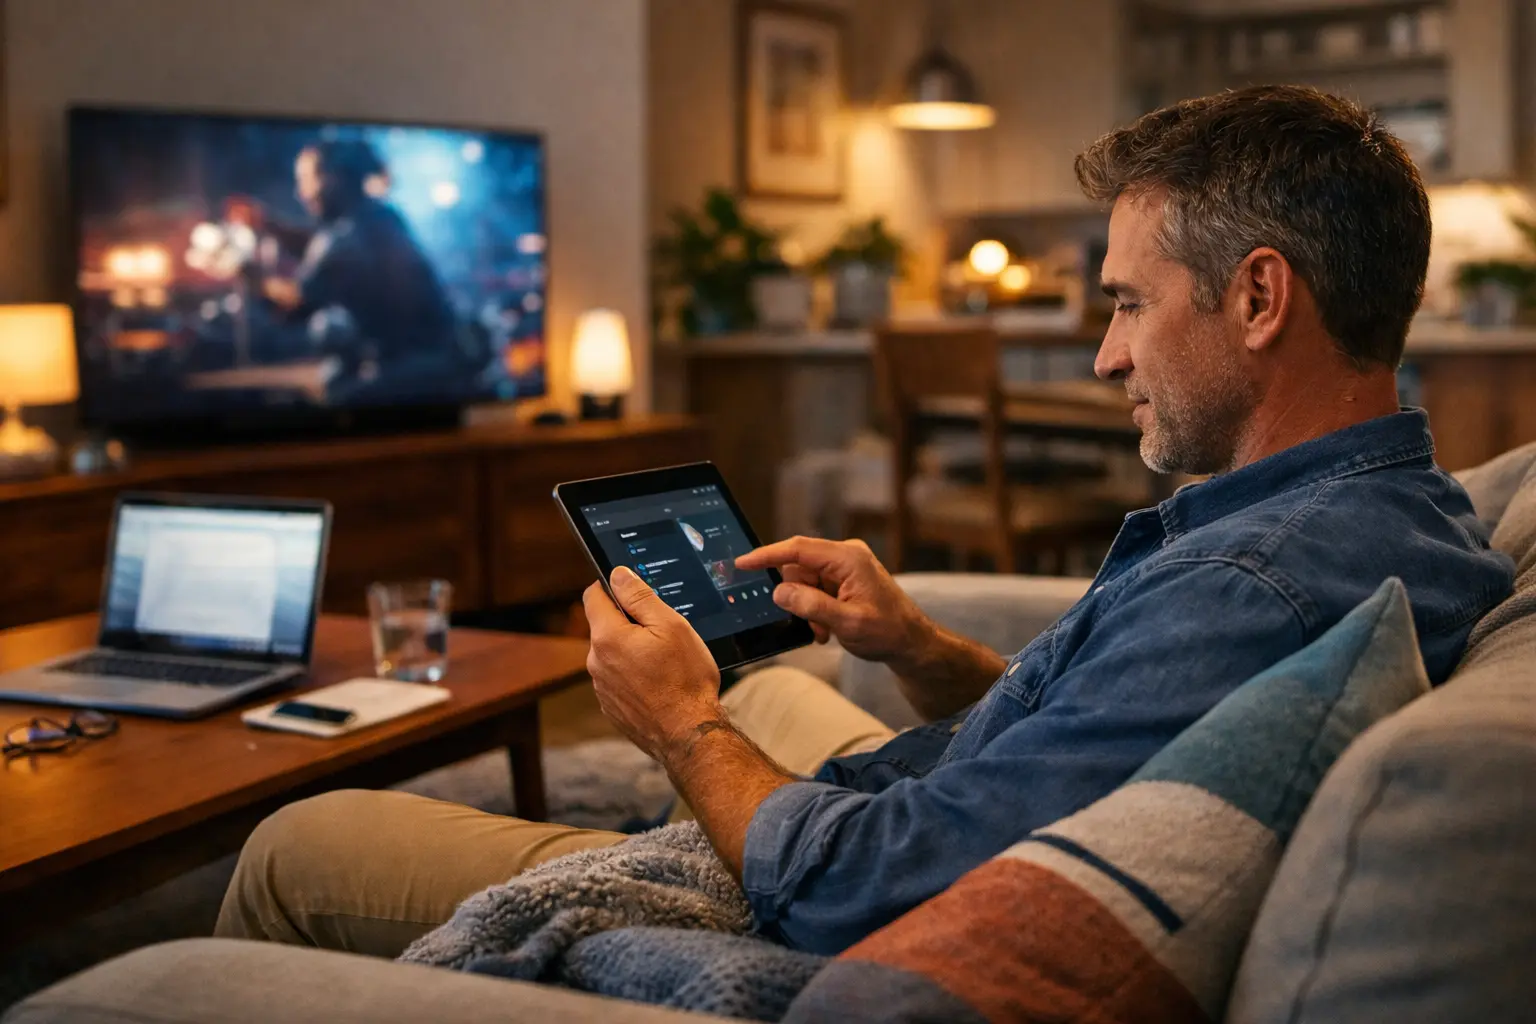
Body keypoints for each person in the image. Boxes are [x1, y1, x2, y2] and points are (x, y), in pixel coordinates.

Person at [215, 85, 1514, 958]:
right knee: (807, 677)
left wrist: (680, 723)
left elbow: (856, 882)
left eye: (1126, 304)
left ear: (1260, 297)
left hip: (841, 879)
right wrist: (916, 647)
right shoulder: (1388, 514)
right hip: (950, 796)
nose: (1109, 358)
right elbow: (1120, 724)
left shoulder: (1259, 579)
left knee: (297, 840)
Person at [260, 138, 464, 401]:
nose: (301, 193)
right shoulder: (383, 217)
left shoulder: (345, 240)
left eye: (306, 180)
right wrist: (269, 225)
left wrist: (248, 272)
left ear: (331, 179)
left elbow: (294, 305)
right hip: (439, 361)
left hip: (409, 373)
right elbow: (323, 255)